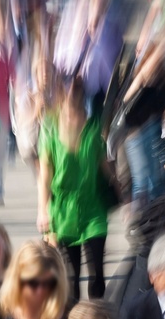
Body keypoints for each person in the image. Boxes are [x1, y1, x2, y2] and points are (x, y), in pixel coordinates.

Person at [38, 79, 115, 300]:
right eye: (68, 83)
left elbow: (103, 163)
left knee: (97, 274)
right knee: (71, 279)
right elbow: (45, 175)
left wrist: (122, 190)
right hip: (63, 211)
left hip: (93, 208)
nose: (73, 88)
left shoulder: (93, 125)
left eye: (78, 84)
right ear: (62, 91)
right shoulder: (50, 128)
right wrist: (43, 210)